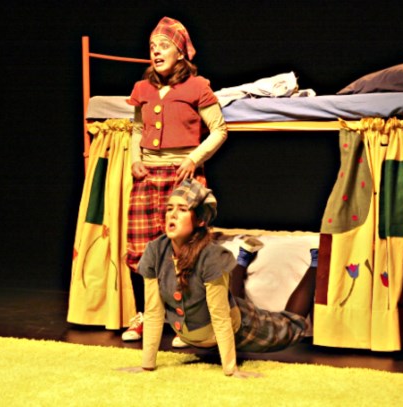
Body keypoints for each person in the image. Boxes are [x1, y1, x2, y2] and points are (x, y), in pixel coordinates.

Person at [120, 179, 318, 377]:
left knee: (290, 326)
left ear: (200, 220)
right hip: (206, 330)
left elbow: (221, 317)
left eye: (182, 209)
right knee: (230, 297)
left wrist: (231, 369)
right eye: (170, 208)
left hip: (238, 327)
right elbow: (153, 312)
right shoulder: (155, 250)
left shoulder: (210, 255)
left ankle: (316, 263)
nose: (172, 214)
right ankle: (243, 257)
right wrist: (146, 365)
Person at [121, 17, 228, 343]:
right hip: (147, 176)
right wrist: (135, 160)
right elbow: (137, 130)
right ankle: (145, 316)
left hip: (181, 176)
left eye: (164, 46)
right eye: (152, 47)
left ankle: (186, 323)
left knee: (185, 250)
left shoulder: (197, 86)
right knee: (142, 248)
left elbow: (220, 130)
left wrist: (194, 158)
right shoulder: (142, 88)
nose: (156, 52)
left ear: (180, 52)